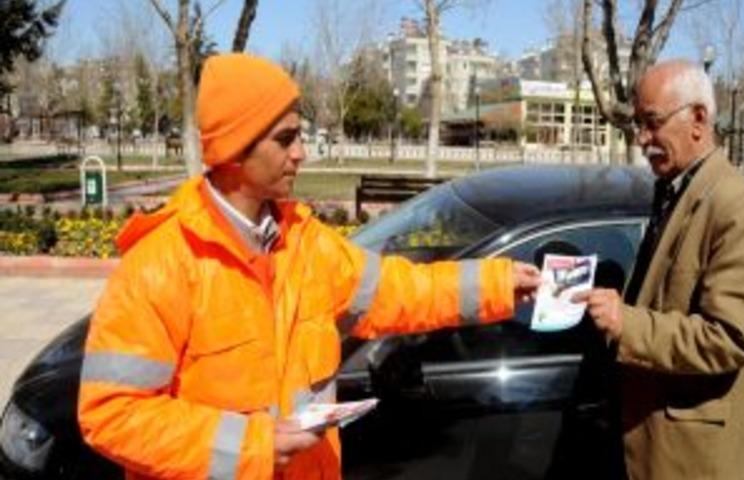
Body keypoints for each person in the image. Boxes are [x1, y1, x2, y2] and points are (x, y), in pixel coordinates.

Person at [77, 53, 541, 480]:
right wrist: (251, 446)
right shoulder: (160, 264)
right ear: (235, 150)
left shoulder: (306, 244)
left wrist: (498, 282)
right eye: (285, 139)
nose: (301, 152)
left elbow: (400, 291)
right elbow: (112, 413)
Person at [576, 60, 744, 479]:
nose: (642, 139)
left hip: (695, 461)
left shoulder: (740, 206)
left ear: (699, 120)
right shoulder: (676, 189)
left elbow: (730, 337)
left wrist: (624, 323)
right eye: (637, 125)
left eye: (651, 123)